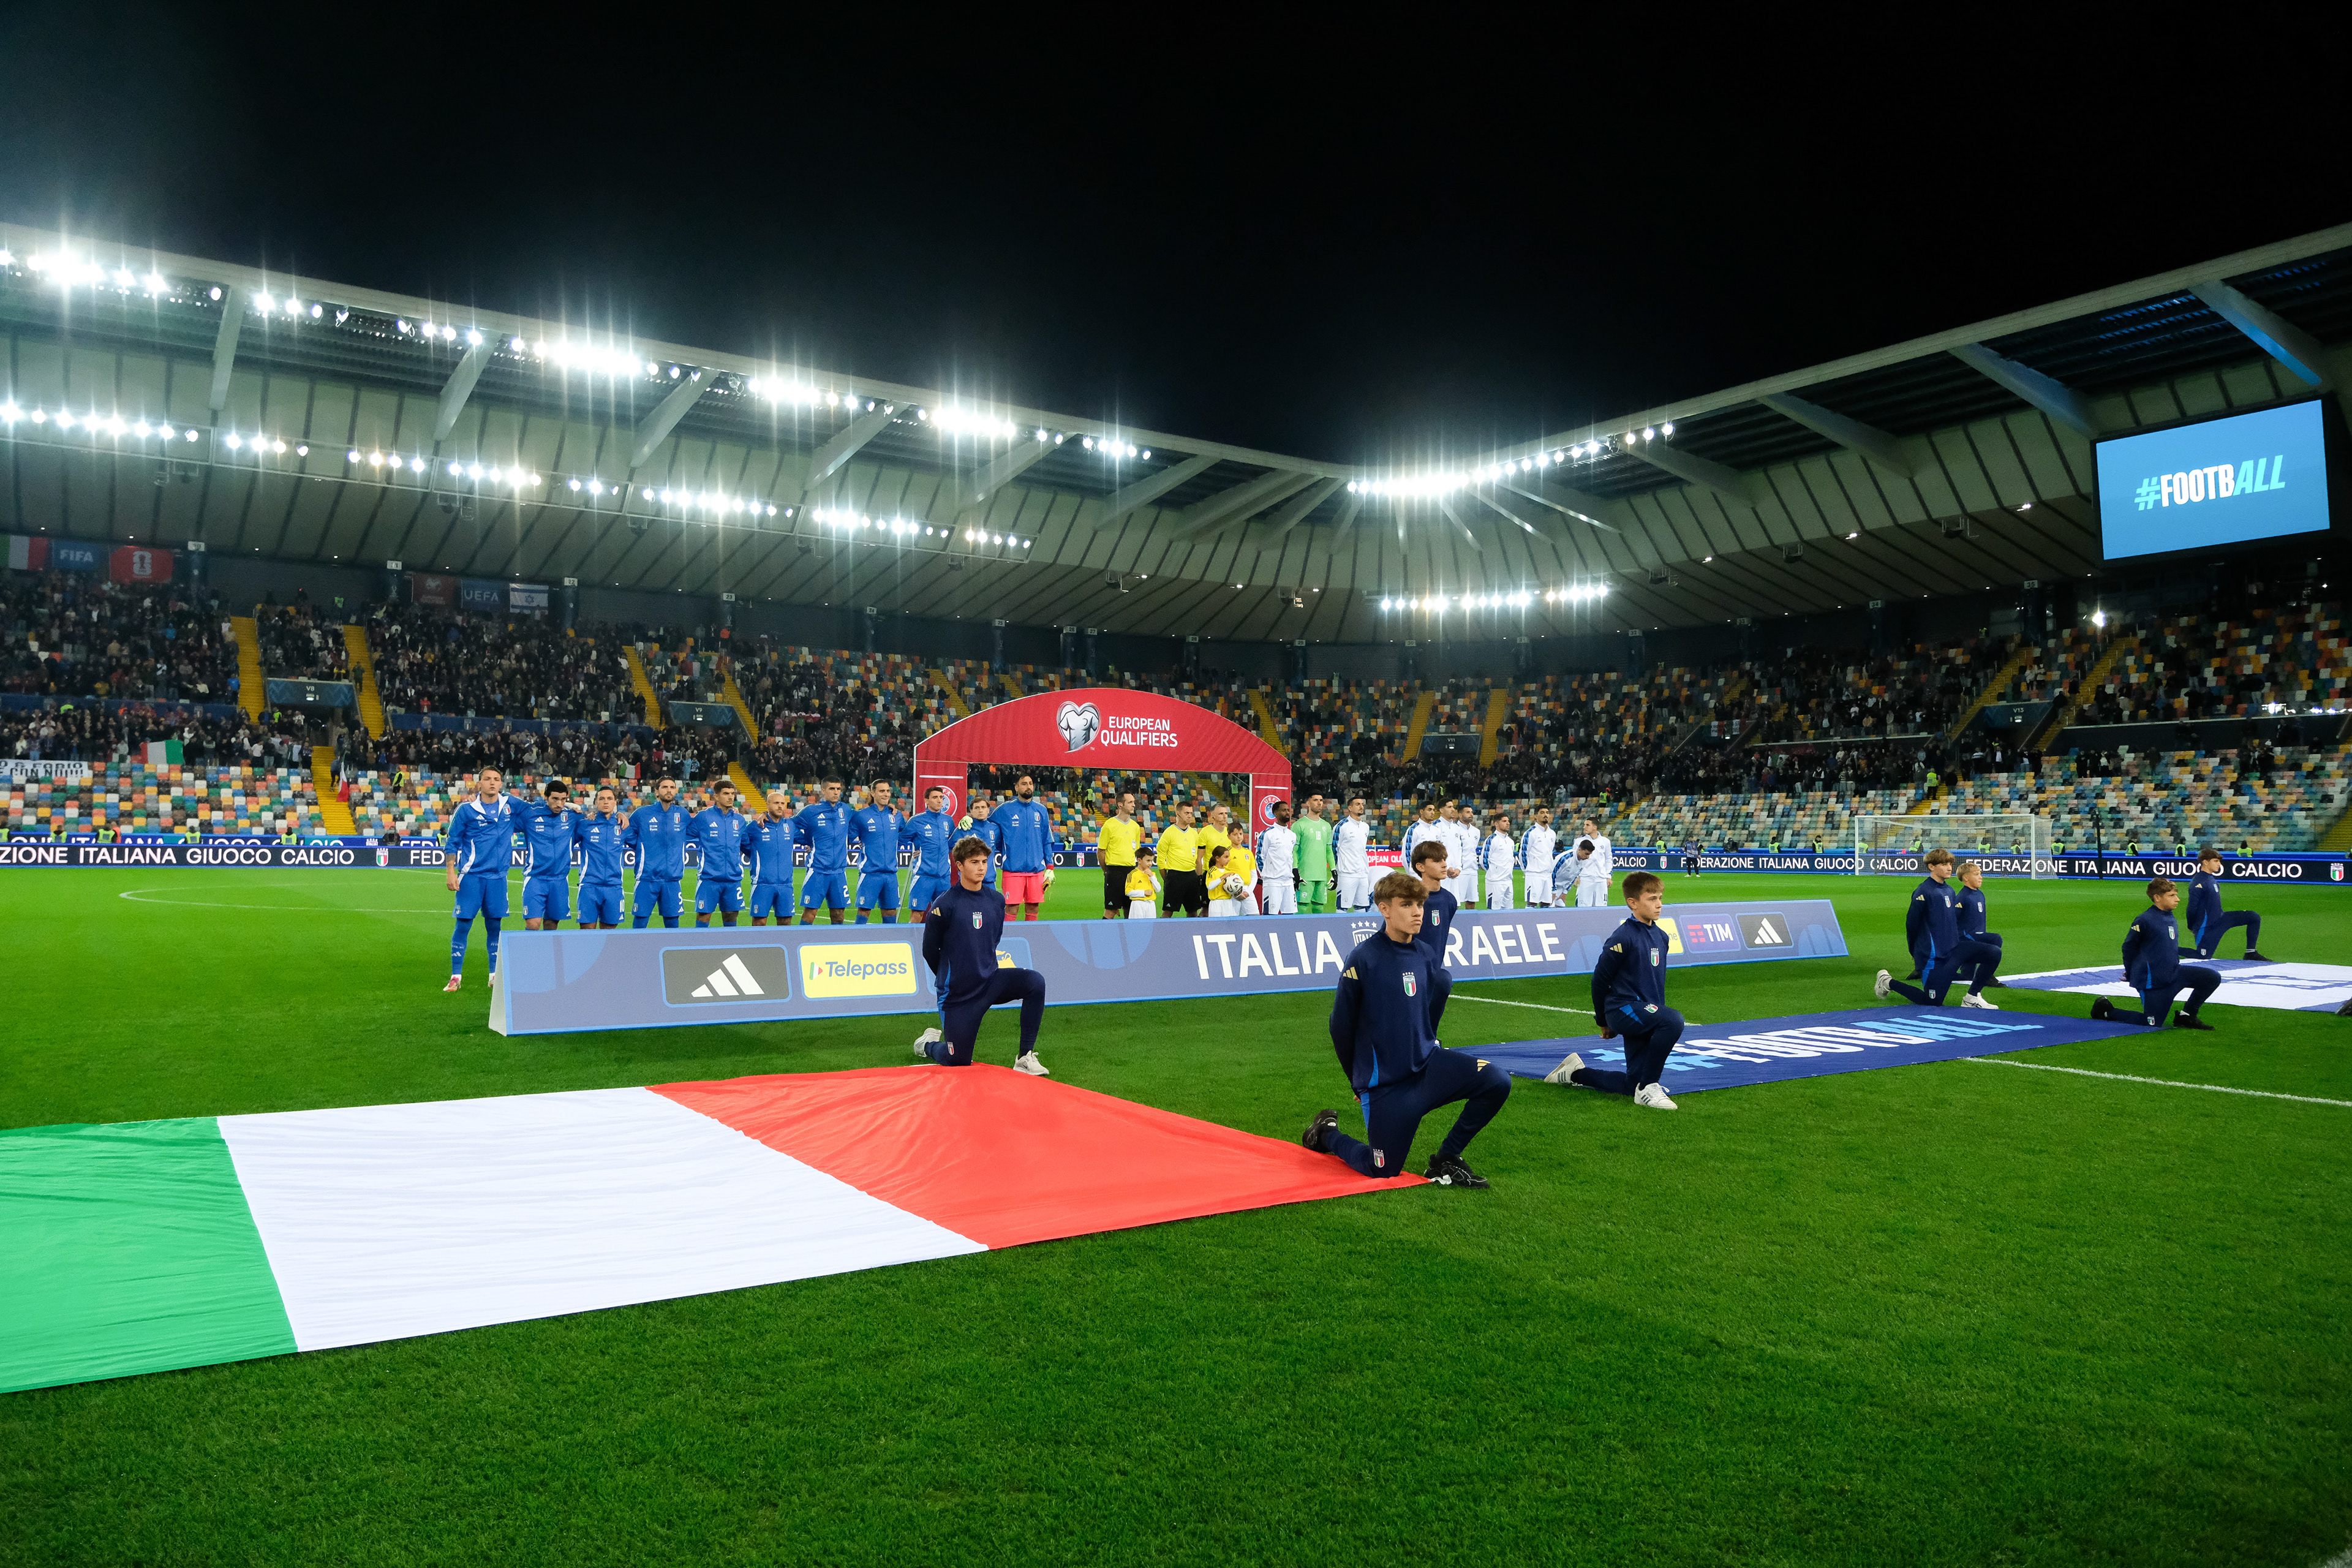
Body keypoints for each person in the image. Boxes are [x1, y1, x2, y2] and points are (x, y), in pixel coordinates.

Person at [1299, 868, 1510, 1187]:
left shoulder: (1425, 954)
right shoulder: (1363, 959)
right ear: (1384, 909)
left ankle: (1446, 1159)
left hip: (1428, 1068)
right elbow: (1339, 1026)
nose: (1417, 913)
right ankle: (1326, 1134)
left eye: (1420, 905)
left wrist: (1430, 1042)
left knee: (1497, 1080)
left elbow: (1423, 1011)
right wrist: (1359, 1083)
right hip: (1387, 1086)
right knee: (1382, 1169)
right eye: (1407, 905)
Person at [1545, 870, 1683, 1109]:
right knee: (1673, 1021)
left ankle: (1574, 1074)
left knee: (1632, 1084)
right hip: (1622, 1009)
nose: (1659, 904)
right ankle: (1649, 1086)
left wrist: (1654, 1012)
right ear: (1633, 903)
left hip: (1645, 1011)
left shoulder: (1661, 936)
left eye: (1660, 898)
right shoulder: (1623, 937)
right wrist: (1603, 1020)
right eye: (1652, 899)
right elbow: (1600, 980)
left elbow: (1653, 979)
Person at [913, 835, 1050, 1074]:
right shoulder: (944, 905)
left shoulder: (996, 900)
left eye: (985, 862)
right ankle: (927, 1045)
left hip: (990, 983)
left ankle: (1024, 1057)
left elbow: (992, 940)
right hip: (958, 995)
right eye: (974, 862)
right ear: (959, 865)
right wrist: (951, 979)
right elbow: (929, 951)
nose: (981, 868)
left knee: (1035, 982)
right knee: (958, 1060)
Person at [1874, 847, 2002, 1008]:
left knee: (1993, 952)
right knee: (1932, 1002)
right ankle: (1887, 982)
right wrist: (1914, 950)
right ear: (1931, 867)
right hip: (1934, 957)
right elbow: (1911, 923)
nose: (1949, 868)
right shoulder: (1923, 892)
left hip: (1954, 950)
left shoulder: (1949, 889)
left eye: (1950, 864)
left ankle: (1971, 998)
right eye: (1944, 864)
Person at [2092, 877, 2222, 1030]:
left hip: (2174, 974)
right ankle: (2107, 1010)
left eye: (2176, 895)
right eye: (2172, 896)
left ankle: (2187, 1016)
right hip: (2153, 981)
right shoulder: (2145, 920)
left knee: (2211, 978)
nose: (2178, 899)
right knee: (2151, 1022)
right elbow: (2128, 948)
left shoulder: (2168, 915)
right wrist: (2131, 972)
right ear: (2158, 898)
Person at [442, 766, 514, 992]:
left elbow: (540, 810)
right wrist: (451, 871)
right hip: (471, 876)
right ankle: (456, 976)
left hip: (498, 878)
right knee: (463, 924)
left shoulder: (510, 806)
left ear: (501, 784)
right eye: (487, 779)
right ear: (479, 783)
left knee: (495, 925)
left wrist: (572, 806)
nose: (492, 783)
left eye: (497, 779)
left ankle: (494, 975)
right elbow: (452, 841)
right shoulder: (466, 810)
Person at [624, 775, 689, 930]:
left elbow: (693, 831)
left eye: (672, 787)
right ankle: (637, 954)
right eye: (665, 787)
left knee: (673, 924)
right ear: (657, 792)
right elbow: (627, 834)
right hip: (647, 878)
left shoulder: (683, 815)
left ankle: (672, 954)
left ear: (676, 791)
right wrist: (643, 847)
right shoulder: (642, 814)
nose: (669, 790)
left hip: (672, 880)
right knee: (640, 923)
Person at [515, 777, 579, 932]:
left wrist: (620, 815)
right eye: (555, 799)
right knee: (533, 924)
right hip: (535, 879)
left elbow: (597, 820)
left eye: (564, 800)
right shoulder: (530, 815)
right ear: (546, 797)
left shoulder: (572, 817)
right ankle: (529, 956)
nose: (559, 804)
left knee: (552, 925)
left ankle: (547, 956)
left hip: (559, 880)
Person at [992, 774, 1058, 921]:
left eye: (1030, 783)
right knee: (1012, 908)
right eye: (1024, 784)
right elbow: (988, 827)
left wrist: (1050, 867)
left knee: (1034, 907)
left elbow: (1046, 839)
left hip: (1036, 871)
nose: (1028, 786)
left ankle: (1031, 939)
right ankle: (1007, 941)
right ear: (1016, 787)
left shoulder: (1041, 810)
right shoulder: (1004, 810)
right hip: (1013, 869)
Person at [2186, 848, 2270, 960]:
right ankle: (2170, 950)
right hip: (2208, 927)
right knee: (2203, 957)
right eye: (2216, 861)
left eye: (2219, 861)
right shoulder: (2198, 883)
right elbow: (2192, 908)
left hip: (2221, 919)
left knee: (2253, 917)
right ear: (2205, 862)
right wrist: (2192, 927)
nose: (2219, 864)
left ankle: (2251, 953)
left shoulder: (2210, 879)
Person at [688, 780, 750, 928]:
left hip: (733, 880)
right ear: (716, 796)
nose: (731, 797)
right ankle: (700, 948)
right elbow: (681, 836)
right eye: (726, 794)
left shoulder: (740, 820)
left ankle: (730, 948)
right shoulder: (703, 818)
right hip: (709, 879)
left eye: (732, 794)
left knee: (731, 915)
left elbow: (748, 846)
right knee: (704, 916)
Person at [793, 778, 853, 925]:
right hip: (818, 870)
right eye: (832, 789)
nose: (836, 792)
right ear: (824, 791)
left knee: (839, 915)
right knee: (810, 913)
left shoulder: (846, 810)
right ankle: (801, 943)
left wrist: (889, 807)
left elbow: (865, 819)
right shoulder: (811, 811)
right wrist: (806, 841)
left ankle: (837, 946)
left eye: (839, 789)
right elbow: (789, 825)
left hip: (839, 872)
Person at [849, 778, 908, 925]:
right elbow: (847, 838)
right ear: (873, 793)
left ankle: (890, 944)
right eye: (882, 791)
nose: (886, 794)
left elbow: (908, 835)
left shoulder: (897, 815)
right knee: (864, 911)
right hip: (870, 873)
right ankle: (857, 944)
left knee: (890, 911)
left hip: (891, 875)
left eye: (888, 791)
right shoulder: (861, 816)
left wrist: (919, 848)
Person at [574, 784, 628, 929]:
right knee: (587, 934)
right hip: (589, 886)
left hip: (614, 886)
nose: (606, 802)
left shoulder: (623, 826)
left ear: (615, 803)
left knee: (609, 936)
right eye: (602, 799)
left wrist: (621, 814)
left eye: (610, 799)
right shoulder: (585, 824)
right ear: (596, 803)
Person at [903, 785, 959, 919]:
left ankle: (940, 941)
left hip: (944, 877)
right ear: (926, 801)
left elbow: (952, 843)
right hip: (923, 876)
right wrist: (914, 850)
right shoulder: (916, 821)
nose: (939, 801)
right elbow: (901, 839)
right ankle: (914, 940)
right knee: (917, 914)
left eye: (941, 797)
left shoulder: (948, 820)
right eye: (935, 797)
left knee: (943, 916)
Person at [744, 788, 797, 925]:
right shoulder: (755, 827)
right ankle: (759, 948)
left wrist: (810, 845)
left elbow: (807, 839)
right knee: (759, 923)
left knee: (786, 922)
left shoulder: (790, 825)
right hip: (763, 884)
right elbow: (741, 843)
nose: (780, 806)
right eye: (776, 803)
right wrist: (754, 855)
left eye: (782, 803)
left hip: (786, 884)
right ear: (767, 805)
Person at [1955, 860, 2007, 990]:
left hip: (1976, 938)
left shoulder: (1979, 894)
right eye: (1977, 874)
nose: (1981, 877)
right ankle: (1988, 974)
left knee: (1967, 977)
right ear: (1966, 878)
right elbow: (1952, 920)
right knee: (1995, 939)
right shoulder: (1963, 897)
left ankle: (1931, 973)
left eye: (1981, 874)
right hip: (1966, 939)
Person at [1409, 840, 1457, 973]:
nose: (1444, 865)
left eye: (1444, 860)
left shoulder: (1449, 900)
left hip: (1434, 971)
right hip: (1408, 969)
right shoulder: (1409, 899)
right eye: (1437, 861)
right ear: (1421, 867)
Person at [1098, 790, 1143, 919]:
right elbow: (1101, 852)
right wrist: (1107, 872)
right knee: (1111, 910)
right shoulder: (1109, 825)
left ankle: (1128, 938)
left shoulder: (1135, 827)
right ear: (1120, 805)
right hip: (1115, 871)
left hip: (1131, 871)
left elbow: (1137, 851)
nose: (1134, 805)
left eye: (1134, 802)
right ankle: (1102, 937)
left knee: (1130, 910)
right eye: (1130, 802)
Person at [1157, 800, 1205, 918]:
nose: (1190, 816)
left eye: (1191, 813)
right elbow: (1161, 859)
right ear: (1178, 814)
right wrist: (1167, 878)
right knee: (1168, 911)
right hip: (1175, 876)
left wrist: (1197, 876)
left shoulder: (1194, 833)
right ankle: (1160, 935)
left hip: (1191, 876)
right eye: (1186, 813)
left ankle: (1192, 935)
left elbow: (1197, 858)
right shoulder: (1169, 833)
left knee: (1193, 911)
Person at [1257, 799, 1299, 916]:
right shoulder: (1267, 834)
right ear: (1275, 813)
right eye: (1284, 810)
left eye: (1288, 810)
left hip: (1288, 881)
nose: (1287, 812)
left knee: (1289, 916)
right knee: (1270, 916)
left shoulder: (1292, 835)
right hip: (1273, 882)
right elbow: (1260, 856)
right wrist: (1266, 875)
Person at [1294, 793, 1333, 914]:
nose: (1319, 803)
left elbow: (1329, 850)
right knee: (1302, 907)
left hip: (1321, 875)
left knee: (1319, 907)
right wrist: (1295, 870)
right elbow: (1293, 851)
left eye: (1321, 800)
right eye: (1316, 800)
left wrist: (1334, 870)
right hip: (1305, 874)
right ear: (1308, 803)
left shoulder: (1326, 826)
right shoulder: (1299, 825)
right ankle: (1297, 931)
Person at [1333, 794, 1373, 911]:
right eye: (1357, 804)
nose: (1361, 807)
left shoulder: (1365, 827)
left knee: (1362, 907)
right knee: (1342, 908)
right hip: (1347, 874)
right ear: (1350, 808)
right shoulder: (1341, 827)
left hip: (1363, 874)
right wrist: (1340, 868)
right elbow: (1334, 849)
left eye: (1362, 804)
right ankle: (1339, 929)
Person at [1523, 806, 1558, 908]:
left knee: (1547, 904)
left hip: (1547, 874)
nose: (1546, 815)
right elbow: (1523, 854)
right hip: (1534, 874)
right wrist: (1528, 871)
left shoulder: (1552, 834)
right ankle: (1528, 923)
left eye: (1547, 812)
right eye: (1542, 813)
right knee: (1532, 903)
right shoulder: (1530, 833)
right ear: (1535, 816)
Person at [966, 796, 1003, 890]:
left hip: (989, 881)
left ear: (988, 810)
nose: (980, 811)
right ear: (971, 810)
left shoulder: (995, 829)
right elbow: (950, 847)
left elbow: (1000, 845)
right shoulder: (964, 828)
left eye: (983, 807)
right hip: (970, 881)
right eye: (977, 808)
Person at [1482, 810, 1515, 910]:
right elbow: (1484, 861)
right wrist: (1494, 873)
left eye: (1508, 821)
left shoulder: (1510, 841)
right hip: (1495, 882)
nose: (1508, 823)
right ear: (1497, 824)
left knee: (1509, 911)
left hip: (1509, 881)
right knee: (1494, 911)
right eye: (1504, 821)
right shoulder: (1492, 839)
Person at [1205, 845, 1245, 916]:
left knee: (1227, 926)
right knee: (1216, 925)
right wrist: (1222, 878)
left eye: (1229, 857)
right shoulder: (1212, 871)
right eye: (1226, 857)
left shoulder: (1229, 872)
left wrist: (1237, 891)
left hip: (1228, 902)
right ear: (1217, 858)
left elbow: (1232, 887)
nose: (1229, 860)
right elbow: (1210, 886)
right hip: (1216, 903)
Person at [1572, 837, 1610, 908]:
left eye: (1588, 825)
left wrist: (1608, 876)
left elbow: (1609, 859)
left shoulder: (1605, 841)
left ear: (1595, 826)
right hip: (1585, 878)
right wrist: (1577, 876)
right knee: (1583, 907)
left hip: (1601, 879)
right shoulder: (1579, 841)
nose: (1584, 827)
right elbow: (1575, 860)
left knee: (1601, 907)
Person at [1125, 845, 1161, 919]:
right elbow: (1128, 892)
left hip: (1151, 904)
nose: (1150, 863)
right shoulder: (1133, 874)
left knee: (1150, 928)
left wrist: (1152, 877)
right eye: (1148, 861)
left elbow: (1158, 889)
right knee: (1137, 927)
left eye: (1152, 861)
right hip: (1138, 904)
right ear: (1139, 860)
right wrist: (1143, 893)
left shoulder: (1152, 874)